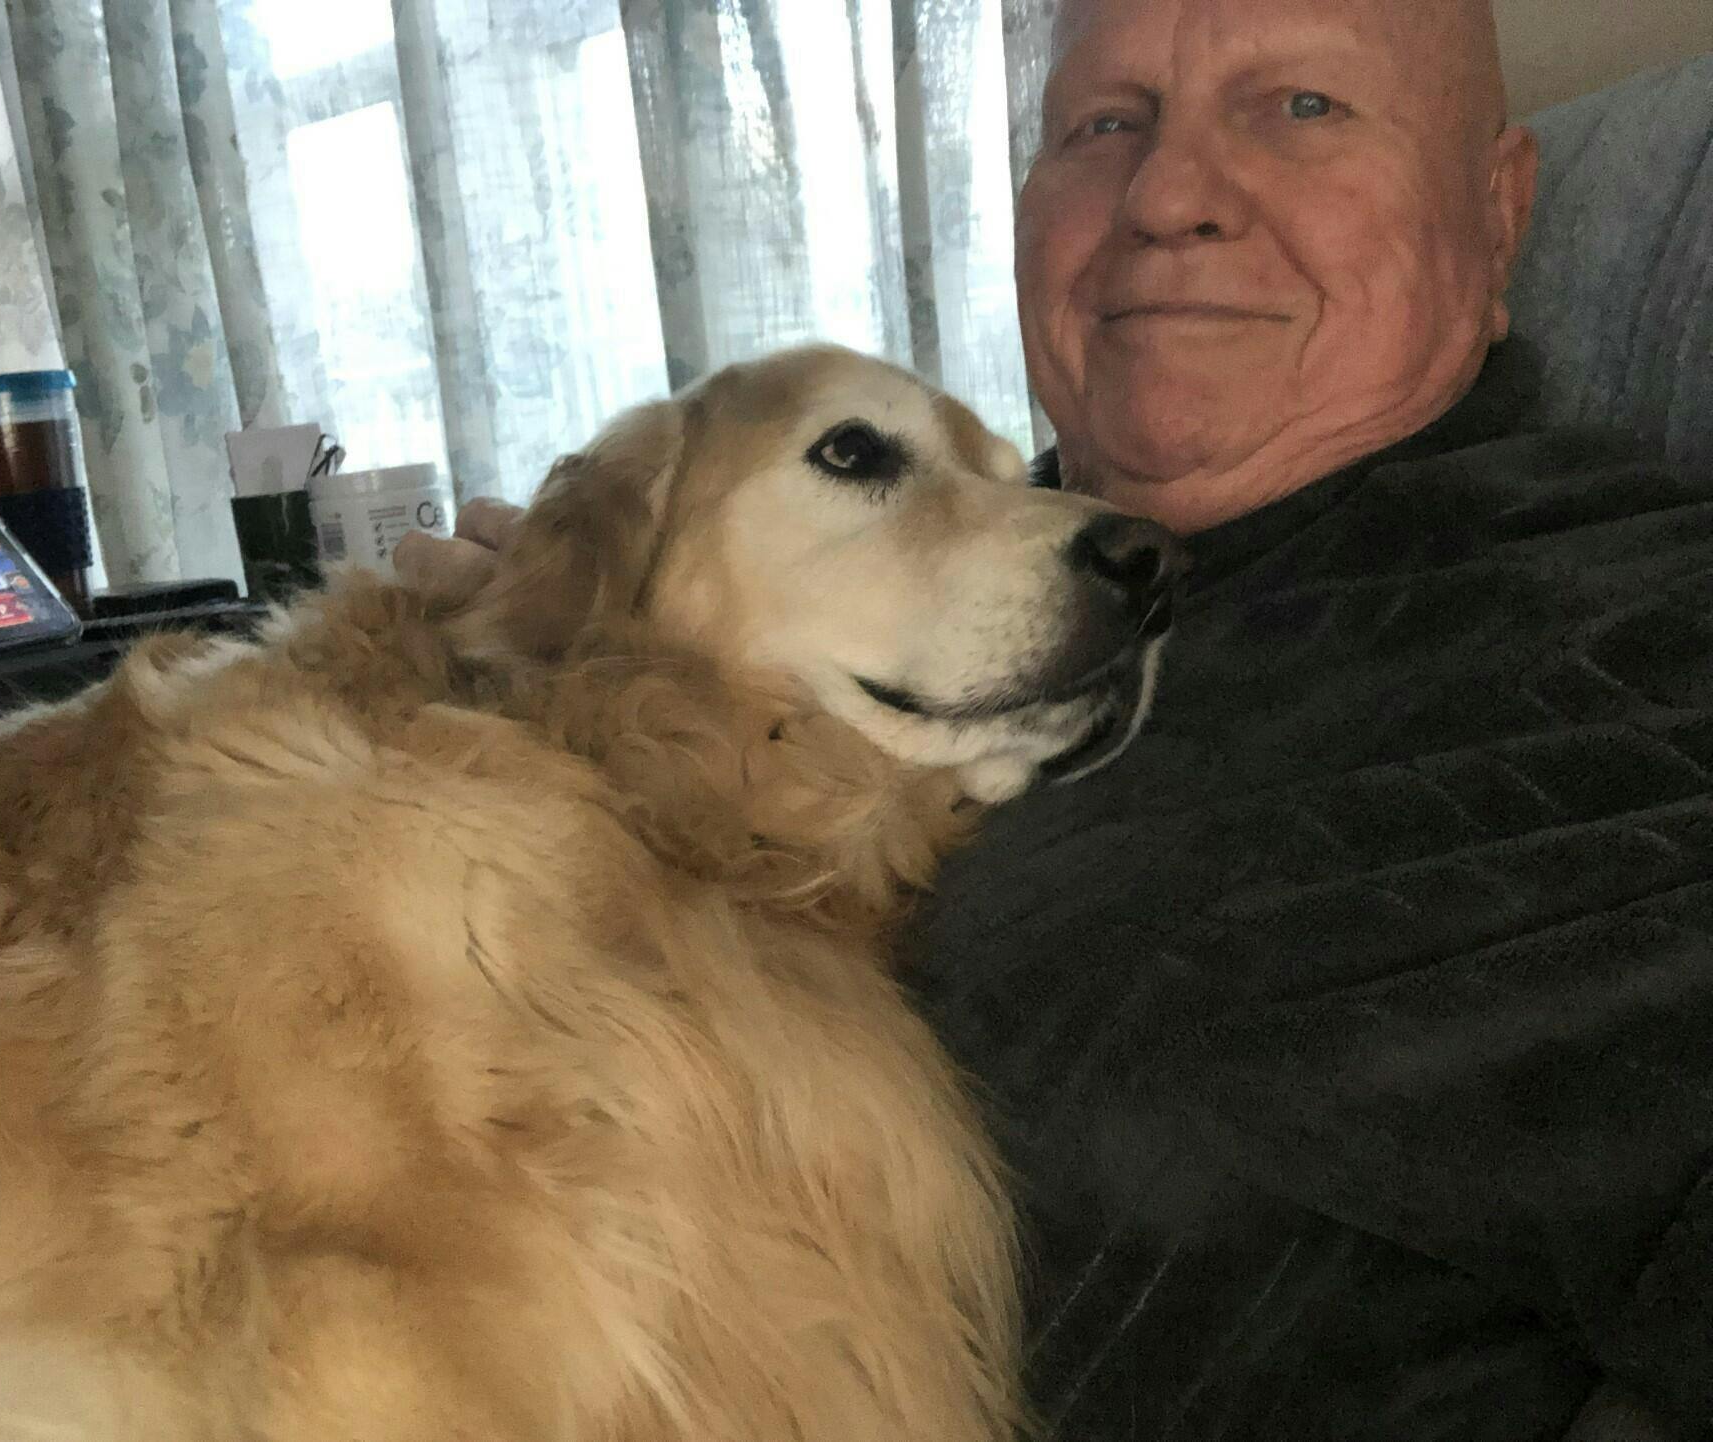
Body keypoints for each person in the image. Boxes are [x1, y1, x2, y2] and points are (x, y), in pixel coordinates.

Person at [398, 1, 1713, 1436]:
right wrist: (560, 647)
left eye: (1302, 107)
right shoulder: (913, 573)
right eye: (1105, 124)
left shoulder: (1644, 644)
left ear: (1497, 215)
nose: (1168, 196)